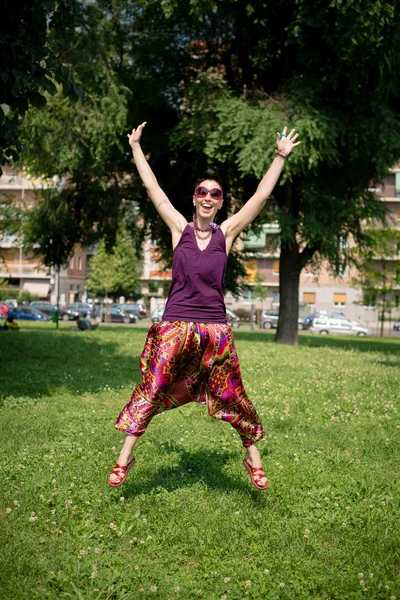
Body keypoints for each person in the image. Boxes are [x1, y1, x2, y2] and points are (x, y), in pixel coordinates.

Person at [108, 122, 300, 490]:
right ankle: (124, 457)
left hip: (214, 329)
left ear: (221, 201)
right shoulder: (177, 227)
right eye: (203, 191)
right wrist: (135, 147)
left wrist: (279, 157)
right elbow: (153, 189)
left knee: (232, 393)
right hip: (175, 326)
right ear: (194, 197)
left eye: (216, 193)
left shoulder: (226, 234)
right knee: (152, 387)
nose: (209, 197)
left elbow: (260, 197)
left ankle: (253, 459)